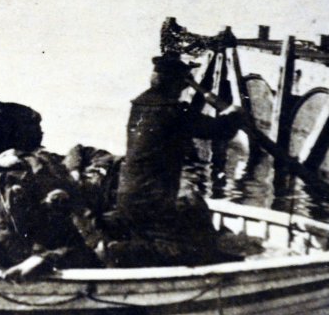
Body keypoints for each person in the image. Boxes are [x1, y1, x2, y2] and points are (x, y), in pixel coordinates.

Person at [102, 52, 243, 265]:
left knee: (181, 231)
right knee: (186, 250)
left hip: (127, 195)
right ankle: (119, 252)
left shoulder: (140, 106)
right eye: (182, 84)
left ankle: (125, 251)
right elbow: (220, 130)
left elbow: (190, 119)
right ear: (175, 84)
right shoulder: (172, 111)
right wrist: (234, 114)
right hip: (154, 202)